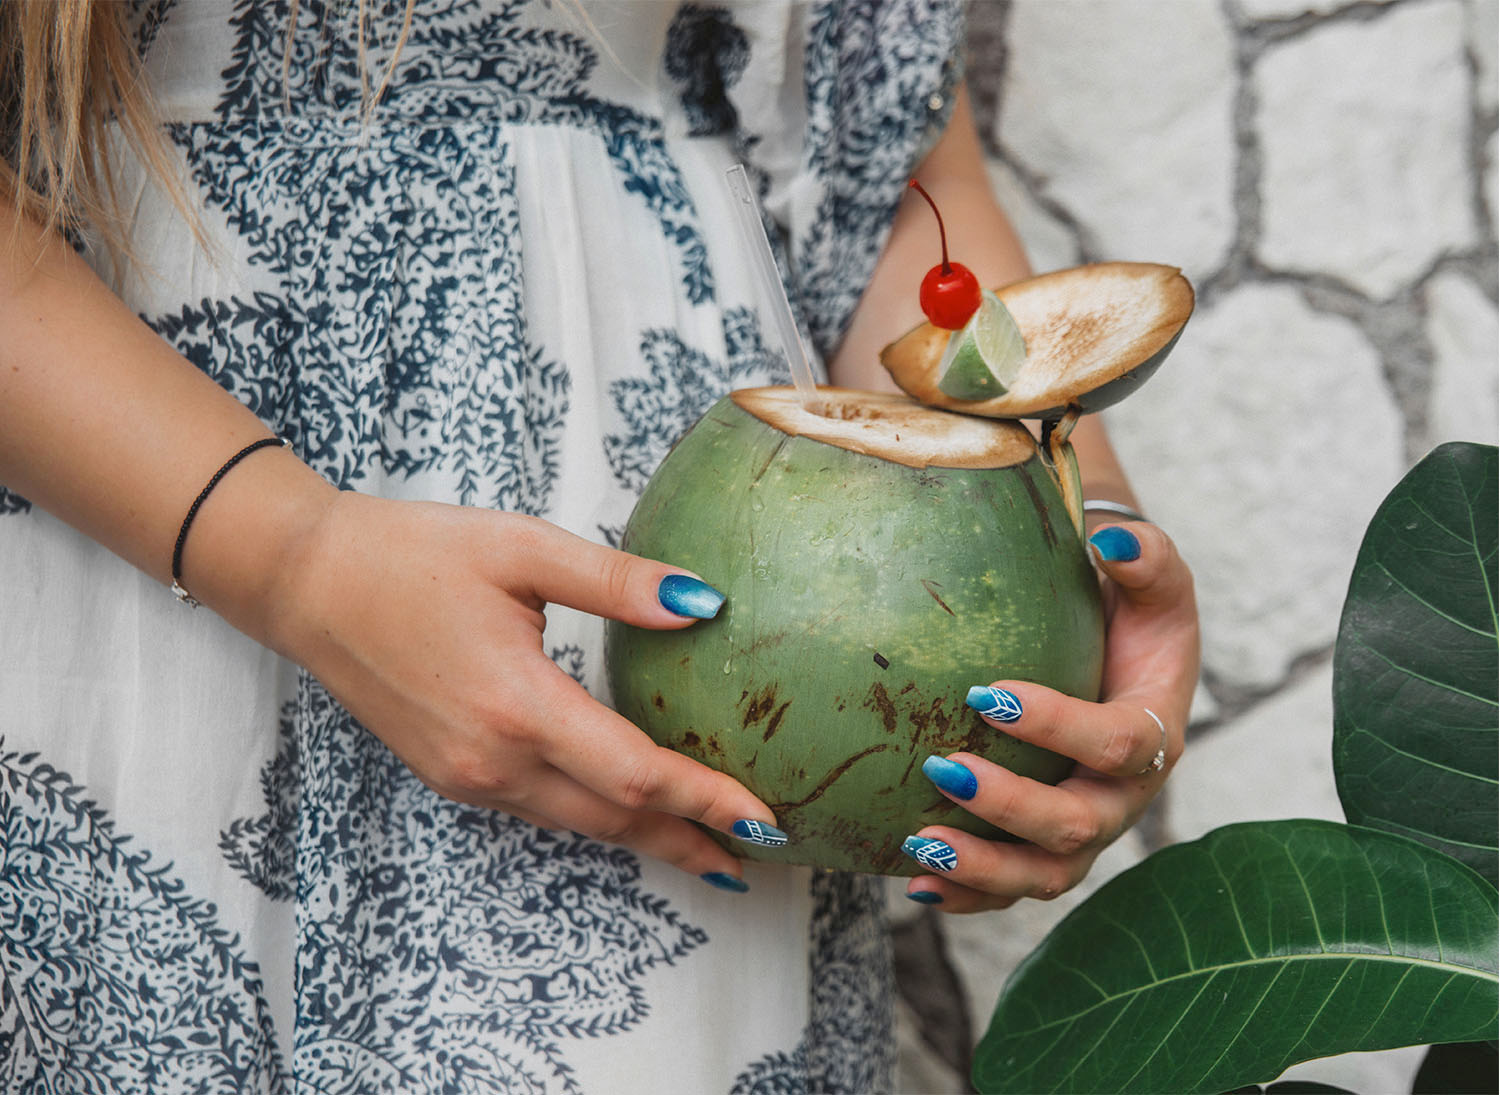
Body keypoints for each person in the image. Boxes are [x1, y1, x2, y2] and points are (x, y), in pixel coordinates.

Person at [0, 1, 1198, 1091]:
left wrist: (1076, 549)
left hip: (710, 705)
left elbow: (882, 174)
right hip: (126, 529)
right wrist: (289, 554)